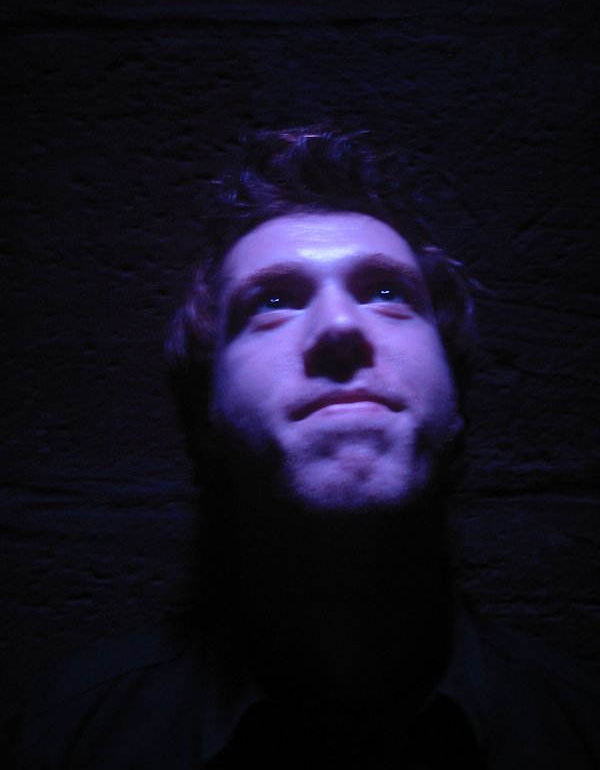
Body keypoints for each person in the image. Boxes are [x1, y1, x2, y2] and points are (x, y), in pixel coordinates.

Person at [4, 127, 599, 768]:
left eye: (388, 293)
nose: (339, 326)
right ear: (207, 417)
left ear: (457, 399)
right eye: (273, 302)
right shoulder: (60, 742)